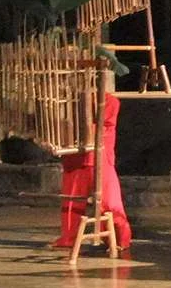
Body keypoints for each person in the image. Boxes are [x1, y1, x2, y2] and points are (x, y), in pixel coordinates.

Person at [51, 71, 132, 253]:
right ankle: (68, 239)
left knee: (110, 203)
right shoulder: (67, 102)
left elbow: (105, 126)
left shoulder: (109, 102)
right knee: (71, 201)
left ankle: (120, 238)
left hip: (99, 157)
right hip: (75, 157)